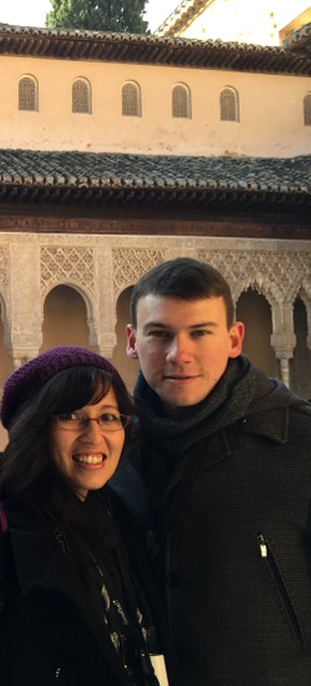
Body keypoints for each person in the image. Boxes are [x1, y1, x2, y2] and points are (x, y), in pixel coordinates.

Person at [0, 346, 169, 686]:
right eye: (71, 416)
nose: (94, 436)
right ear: (34, 428)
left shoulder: (113, 512)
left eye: (108, 416)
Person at [121, 257, 311, 686]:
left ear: (234, 338)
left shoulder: (298, 440)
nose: (179, 354)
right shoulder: (115, 449)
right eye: (160, 334)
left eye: (200, 332)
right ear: (133, 340)